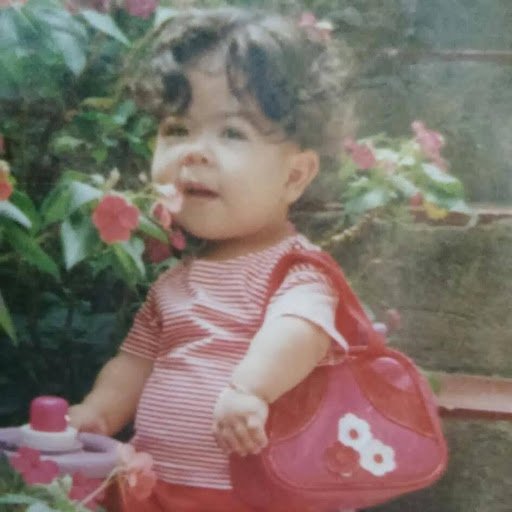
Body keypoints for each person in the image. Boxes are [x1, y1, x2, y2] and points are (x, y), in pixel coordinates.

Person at [69, 7, 354, 511]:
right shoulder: (175, 284)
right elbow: (134, 362)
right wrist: (99, 412)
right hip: (159, 490)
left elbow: (300, 330)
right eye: (177, 129)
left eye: (231, 134)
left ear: (294, 176)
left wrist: (250, 389)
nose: (193, 153)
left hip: (252, 496)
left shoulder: (294, 269)